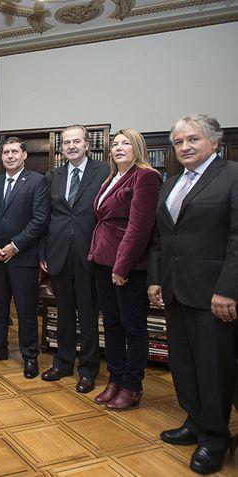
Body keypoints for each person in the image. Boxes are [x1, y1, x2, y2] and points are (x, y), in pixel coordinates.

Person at [148, 114, 238, 475]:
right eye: (179, 142)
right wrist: (155, 280)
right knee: (183, 364)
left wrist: (228, 290)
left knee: (214, 368)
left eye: (193, 140)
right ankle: (195, 421)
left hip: (213, 295)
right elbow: (161, 238)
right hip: (174, 290)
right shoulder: (170, 184)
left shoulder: (232, 177)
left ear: (214, 143)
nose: (184, 147)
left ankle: (216, 438)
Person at [88, 128, 161, 410]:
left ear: (137, 148)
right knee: (112, 325)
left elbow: (140, 227)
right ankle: (115, 379)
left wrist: (122, 267)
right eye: (115, 144)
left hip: (128, 267)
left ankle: (132, 386)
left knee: (134, 328)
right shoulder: (112, 177)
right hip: (102, 262)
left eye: (126, 143)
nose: (119, 148)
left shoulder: (145, 176)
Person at [39, 125, 109, 390]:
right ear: (61, 148)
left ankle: (88, 369)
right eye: (66, 142)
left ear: (87, 144)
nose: (71, 146)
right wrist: (43, 252)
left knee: (89, 314)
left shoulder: (103, 172)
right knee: (64, 311)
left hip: (89, 253)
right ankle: (63, 362)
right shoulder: (53, 175)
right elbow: (45, 216)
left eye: (76, 141)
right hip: (58, 254)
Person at [0, 137, 49, 377]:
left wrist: (15, 246)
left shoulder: (38, 182)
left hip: (23, 258)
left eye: (14, 152)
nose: (9, 156)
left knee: (26, 310)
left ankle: (30, 356)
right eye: (6, 152)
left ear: (24, 155)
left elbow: (40, 220)